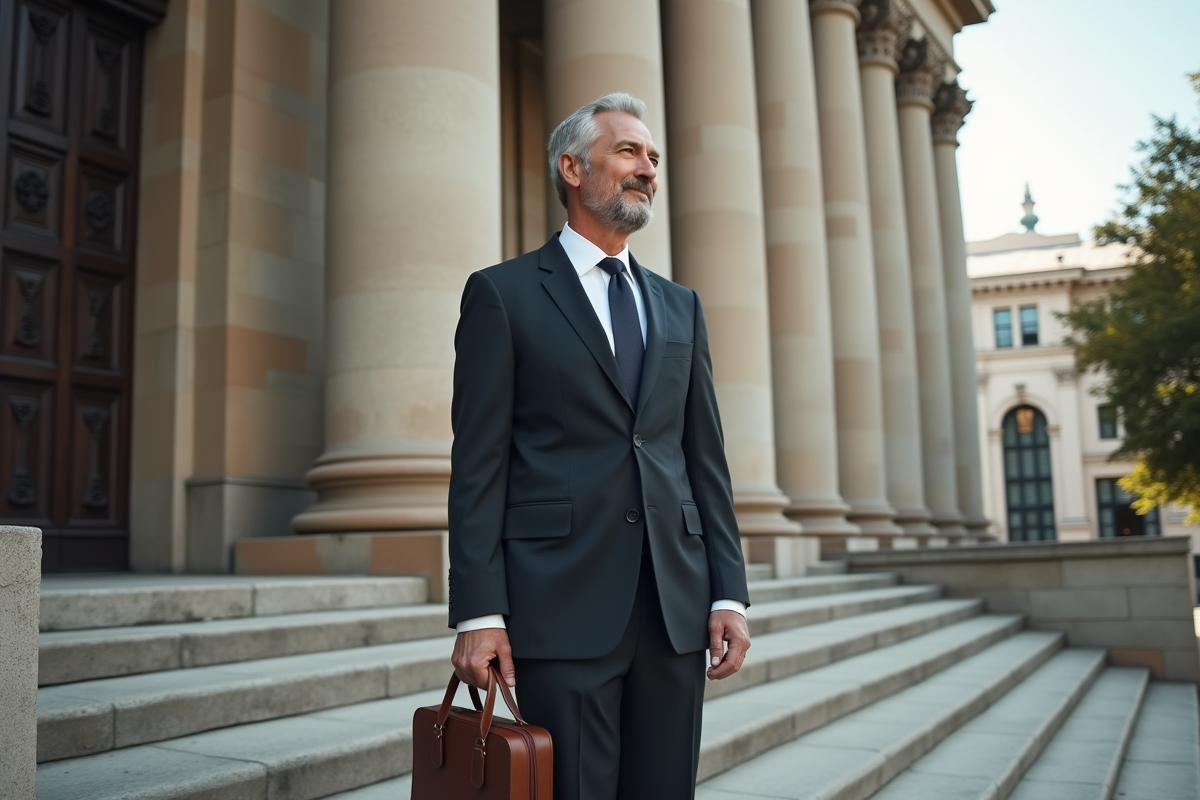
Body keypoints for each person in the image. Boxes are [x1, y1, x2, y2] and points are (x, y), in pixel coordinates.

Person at [447, 92, 751, 800]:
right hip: (559, 608)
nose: (647, 168)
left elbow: (703, 458)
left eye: (653, 157)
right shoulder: (503, 295)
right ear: (572, 168)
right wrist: (479, 614)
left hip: (674, 612)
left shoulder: (682, 306)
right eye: (628, 152)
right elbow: (479, 466)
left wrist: (729, 592)